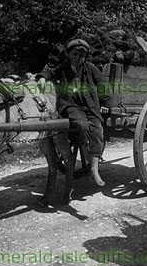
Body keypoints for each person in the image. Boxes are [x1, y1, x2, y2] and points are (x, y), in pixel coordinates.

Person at [36, 38, 112, 186]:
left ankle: (94, 170)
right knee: (82, 125)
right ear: (69, 55)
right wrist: (42, 78)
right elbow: (50, 72)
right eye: (75, 54)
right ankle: (88, 157)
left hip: (90, 106)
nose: (78, 58)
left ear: (85, 57)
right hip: (71, 106)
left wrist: (105, 104)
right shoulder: (64, 68)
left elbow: (104, 85)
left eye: (81, 55)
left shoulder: (90, 68)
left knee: (98, 131)